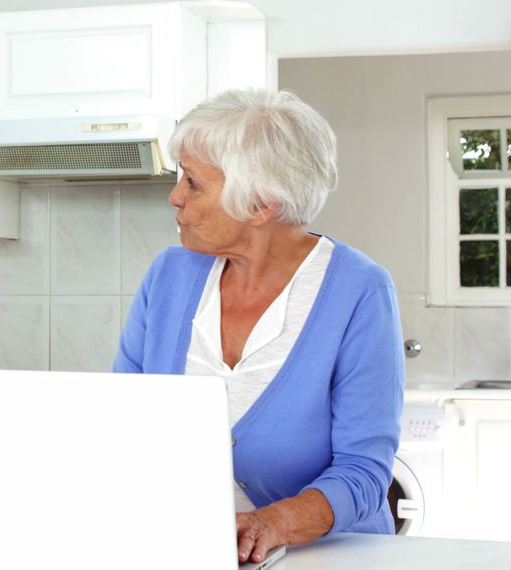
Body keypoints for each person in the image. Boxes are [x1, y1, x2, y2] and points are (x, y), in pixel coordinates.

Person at [114, 88, 404, 564]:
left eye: (192, 183)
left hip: (327, 557)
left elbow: (363, 473)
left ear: (260, 204)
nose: (175, 197)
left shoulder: (360, 291)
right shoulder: (168, 275)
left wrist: (270, 524)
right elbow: (122, 421)